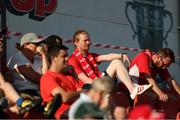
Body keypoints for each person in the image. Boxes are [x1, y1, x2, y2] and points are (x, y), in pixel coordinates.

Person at [68, 29, 152, 100]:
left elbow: (107, 57)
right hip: (89, 88)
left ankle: (133, 90)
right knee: (116, 63)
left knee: (117, 62)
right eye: (85, 40)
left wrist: (121, 55)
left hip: (98, 82)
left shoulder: (90, 56)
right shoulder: (72, 59)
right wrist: (101, 84)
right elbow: (85, 80)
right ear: (76, 43)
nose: (88, 42)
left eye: (89, 40)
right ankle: (133, 90)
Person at [129, 48, 180, 118]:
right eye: (165, 64)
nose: (164, 68)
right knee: (160, 95)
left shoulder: (159, 65)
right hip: (131, 90)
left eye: (167, 66)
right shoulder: (143, 57)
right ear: (158, 57)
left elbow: (170, 80)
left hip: (143, 90)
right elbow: (149, 78)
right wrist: (161, 94)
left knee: (170, 95)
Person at [40, 44, 83, 119]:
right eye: (64, 56)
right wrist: (82, 93)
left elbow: (83, 95)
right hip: (62, 115)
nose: (67, 59)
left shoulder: (70, 77)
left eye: (67, 56)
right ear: (54, 59)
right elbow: (64, 97)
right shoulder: (47, 77)